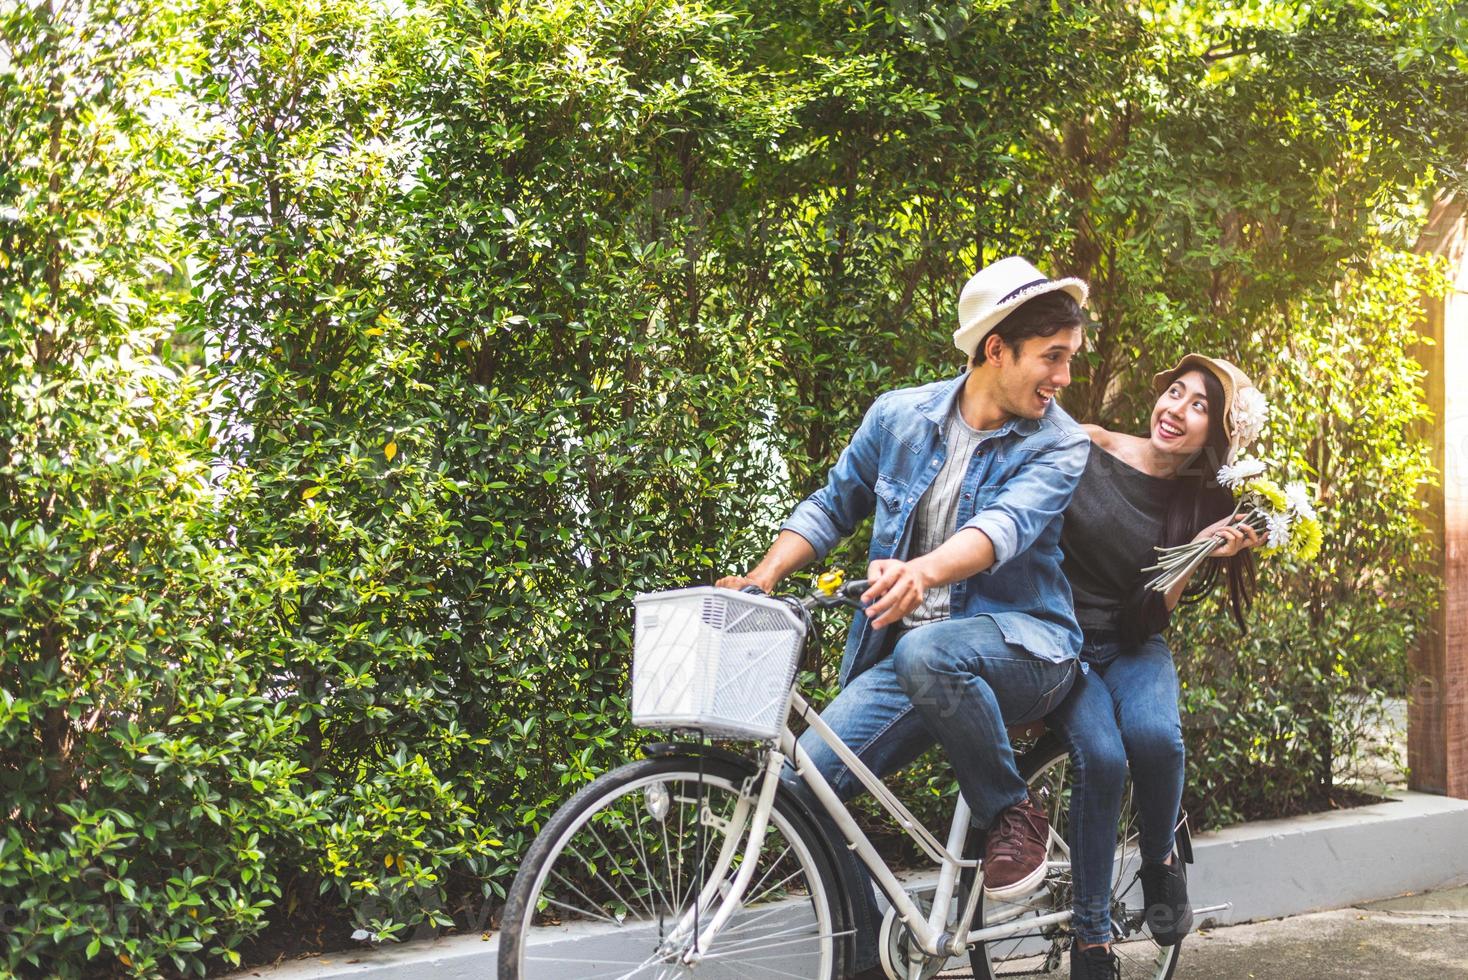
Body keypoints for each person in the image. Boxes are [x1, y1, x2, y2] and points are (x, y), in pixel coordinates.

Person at [718, 256, 1093, 979]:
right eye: (1054, 358)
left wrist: (922, 571)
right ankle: (870, 955)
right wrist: (765, 576)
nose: (1064, 379)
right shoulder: (899, 416)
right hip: (917, 660)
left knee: (930, 654)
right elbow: (834, 504)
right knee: (808, 793)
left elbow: (1005, 528)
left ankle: (1014, 813)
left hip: (1027, 647)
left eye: (1070, 360)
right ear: (995, 350)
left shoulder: (1059, 441)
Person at [1052, 354, 1265, 980]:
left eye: (1200, 406)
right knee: (1103, 758)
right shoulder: (1088, 445)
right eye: (1176, 393)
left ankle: (1159, 861)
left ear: (1214, 437)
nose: (1177, 410)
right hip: (1064, 644)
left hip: (1132, 645)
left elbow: (1148, 616)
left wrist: (1202, 549)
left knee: (1156, 737)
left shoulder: (1200, 505)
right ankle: (1091, 939)